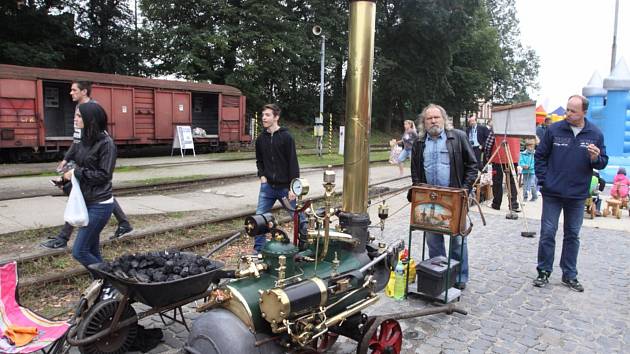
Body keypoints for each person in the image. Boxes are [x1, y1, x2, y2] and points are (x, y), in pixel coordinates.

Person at [41, 81, 132, 249]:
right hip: (81, 155)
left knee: (93, 194)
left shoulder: (91, 110)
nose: (71, 93)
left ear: (84, 91)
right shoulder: (79, 110)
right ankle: (123, 223)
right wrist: (66, 159)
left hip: (90, 156)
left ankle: (64, 237)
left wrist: (76, 170)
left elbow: (96, 139)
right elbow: (77, 141)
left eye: (74, 90)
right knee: (91, 195)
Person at [533, 95, 608, 292]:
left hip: (577, 194)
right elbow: (540, 156)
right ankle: (543, 271)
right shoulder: (554, 130)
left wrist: (595, 158)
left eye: (573, 111)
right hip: (553, 192)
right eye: (567, 109)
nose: (568, 114)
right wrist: (544, 181)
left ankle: (569, 274)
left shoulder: (595, 133)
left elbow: (603, 162)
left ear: (584, 112)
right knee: (548, 232)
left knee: (572, 234)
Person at [410, 104, 477, 290]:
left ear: (444, 119)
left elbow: (472, 165)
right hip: (429, 198)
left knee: (457, 239)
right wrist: (418, 191)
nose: (433, 121)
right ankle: (438, 276)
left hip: (455, 197)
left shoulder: (457, 137)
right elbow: (415, 170)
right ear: (424, 122)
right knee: (433, 240)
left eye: (436, 117)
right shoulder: (419, 142)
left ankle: (459, 277)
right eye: (429, 118)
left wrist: (464, 189)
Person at [61, 101, 117, 269]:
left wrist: (77, 173)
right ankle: (102, 285)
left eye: (79, 116)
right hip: (86, 200)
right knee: (92, 249)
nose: (75, 119)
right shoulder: (83, 139)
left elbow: (104, 175)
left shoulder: (107, 144)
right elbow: (82, 166)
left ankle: (111, 282)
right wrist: (66, 178)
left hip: (100, 204)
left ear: (89, 119)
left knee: (80, 251)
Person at [254, 103, 300, 253]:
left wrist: (293, 187)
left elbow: (293, 163)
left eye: (267, 115)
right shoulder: (261, 139)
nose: (264, 118)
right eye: (263, 115)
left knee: (299, 218)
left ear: (276, 117)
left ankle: (303, 244)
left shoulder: (286, 137)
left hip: (285, 189)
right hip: (267, 188)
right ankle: (259, 251)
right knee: (259, 220)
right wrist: (262, 176)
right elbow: (259, 160)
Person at [484, 130, 521, 212]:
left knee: (497, 182)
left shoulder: (497, 126)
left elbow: (489, 144)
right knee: (512, 182)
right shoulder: (516, 127)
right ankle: (514, 205)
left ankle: (496, 204)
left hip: (498, 156)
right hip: (512, 157)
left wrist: (488, 156)